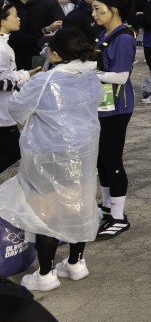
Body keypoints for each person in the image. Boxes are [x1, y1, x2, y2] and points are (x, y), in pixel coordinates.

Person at [0, 27, 103, 293]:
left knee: (47, 210)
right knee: (78, 203)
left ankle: (45, 274)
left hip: (48, 151)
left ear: (55, 54)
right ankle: (76, 263)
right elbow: (97, 102)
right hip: (83, 150)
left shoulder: (45, 80)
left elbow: (16, 108)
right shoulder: (90, 75)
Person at [91, 0, 136, 239]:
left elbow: (121, 76)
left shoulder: (124, 38)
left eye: (98, 9)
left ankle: (118, 217)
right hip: (102, 106)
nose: (94, 14)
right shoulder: (104, 33)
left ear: (114, 10)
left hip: (118, 108)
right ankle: (107, 206)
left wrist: (89, 74)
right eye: (93, 9)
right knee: (101, 160)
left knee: (112, 160)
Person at [0, 0, 31, 172]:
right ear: (2, 21)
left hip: (6, 110)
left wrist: (27, 75)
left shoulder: (5, 45)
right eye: (15, 15)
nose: (19, 19)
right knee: (13, 152)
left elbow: (6, 76)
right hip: (2, 113)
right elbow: (2, 82)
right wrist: (22, 79)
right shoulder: (1, 48)